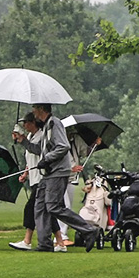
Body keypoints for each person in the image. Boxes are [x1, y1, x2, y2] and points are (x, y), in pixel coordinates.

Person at [12, 104, 100, 252]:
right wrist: (23, 141)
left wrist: (46, 159)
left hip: (58, 172)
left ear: (42, 109)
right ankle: (45, 244)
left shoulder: (55, 123)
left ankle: (89, 230)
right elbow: (38, 149)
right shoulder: (47, 126)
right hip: (48, 174)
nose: (33, 111)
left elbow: (63, 146)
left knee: (53, 207)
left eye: (35, 108)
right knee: (39, 206)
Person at [9, 113, 64, 251]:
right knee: (47, 213)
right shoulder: (29, 137)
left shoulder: (42, 135)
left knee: (30, 208)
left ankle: (27, 240)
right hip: (33, 178)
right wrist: (26, 173)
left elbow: (38, 150)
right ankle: (60, 242)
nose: (24, 126)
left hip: (42, 178)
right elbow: (30, 158)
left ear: (33, 122)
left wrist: (22, 141)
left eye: (26, 123)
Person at [56, 132, 102, 245]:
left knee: (68, 207)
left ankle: (62, 236)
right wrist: (71, 168)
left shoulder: (76, 139)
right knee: (63, 206)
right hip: (60, 177)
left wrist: (94, 145)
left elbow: (85, 152)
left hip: (71, 178)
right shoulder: (57, 141)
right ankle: (61, 236)